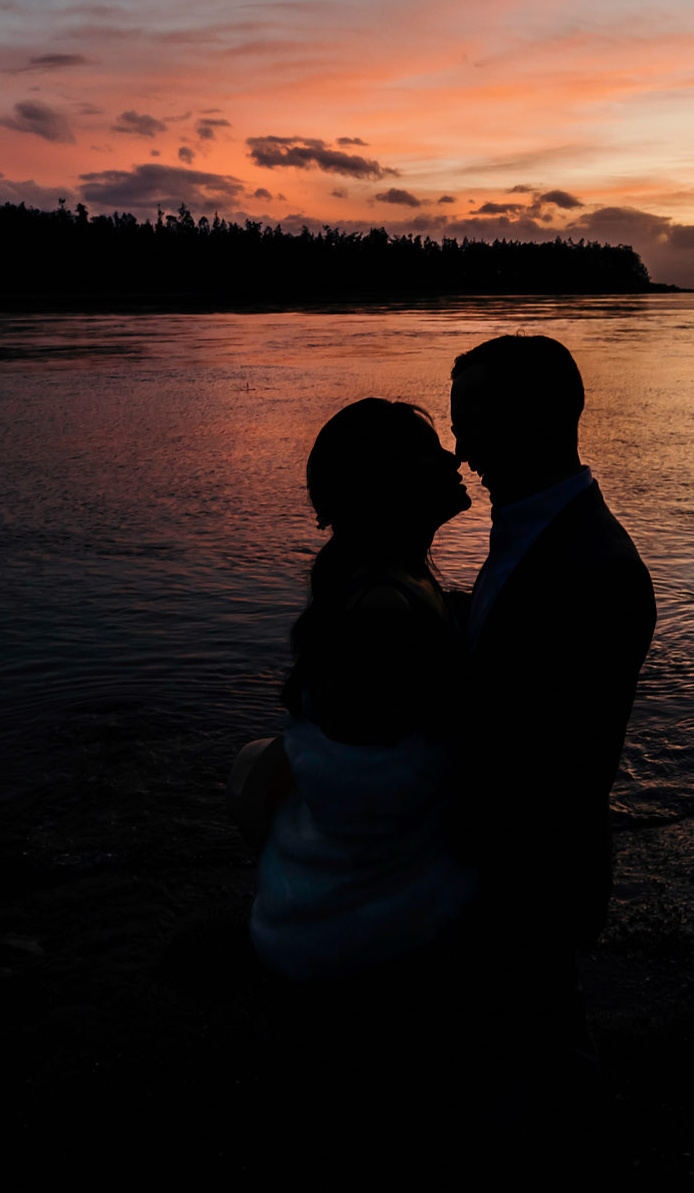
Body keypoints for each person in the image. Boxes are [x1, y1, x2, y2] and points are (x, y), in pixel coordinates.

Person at [244, 398, 481, 1114]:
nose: (456, 459)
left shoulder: (395, 588)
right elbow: (375, 789)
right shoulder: (382, 612)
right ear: (393, 483)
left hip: (346, 920)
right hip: (371, 934)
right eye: (432, 448)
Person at [446, 334, 657, 1131]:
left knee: (539, 1050)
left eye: (471, 422)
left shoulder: (592, 567)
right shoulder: (539, 528)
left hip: (531, 867)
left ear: (533, 417)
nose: (460, 450)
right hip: (518, 864)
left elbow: (550, 758)